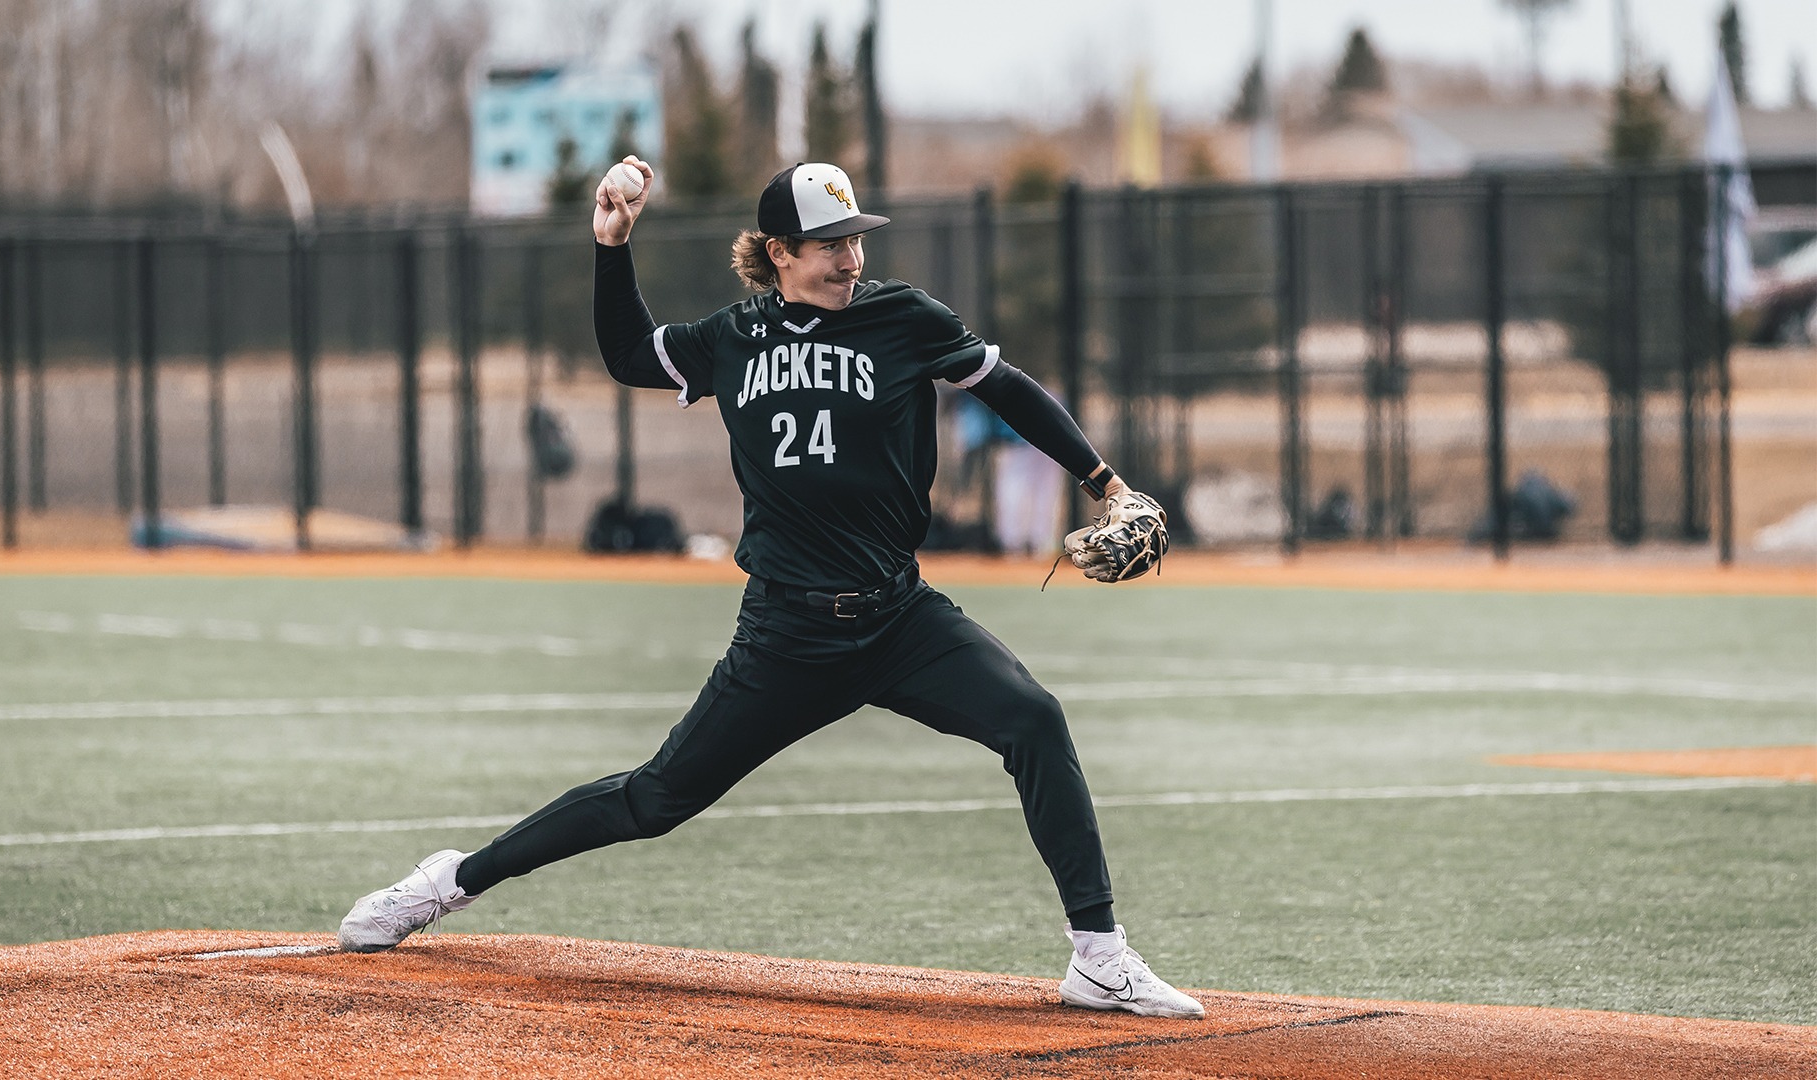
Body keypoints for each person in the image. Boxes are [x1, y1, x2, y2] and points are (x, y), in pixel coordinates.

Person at [338, 158, 1205, 1020]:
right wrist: (612, 246)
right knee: (654, 800)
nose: (848, 259)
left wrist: (1105, 482)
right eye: (827, 245)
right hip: (786, 635)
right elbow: (630, 354)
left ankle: (1098, 959)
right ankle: (448, 882)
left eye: (854, 240)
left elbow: (1007, 390)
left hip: (900, 618)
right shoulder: (733, 337)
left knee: (1034, 719)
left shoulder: (903, 319)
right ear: (779, 251)